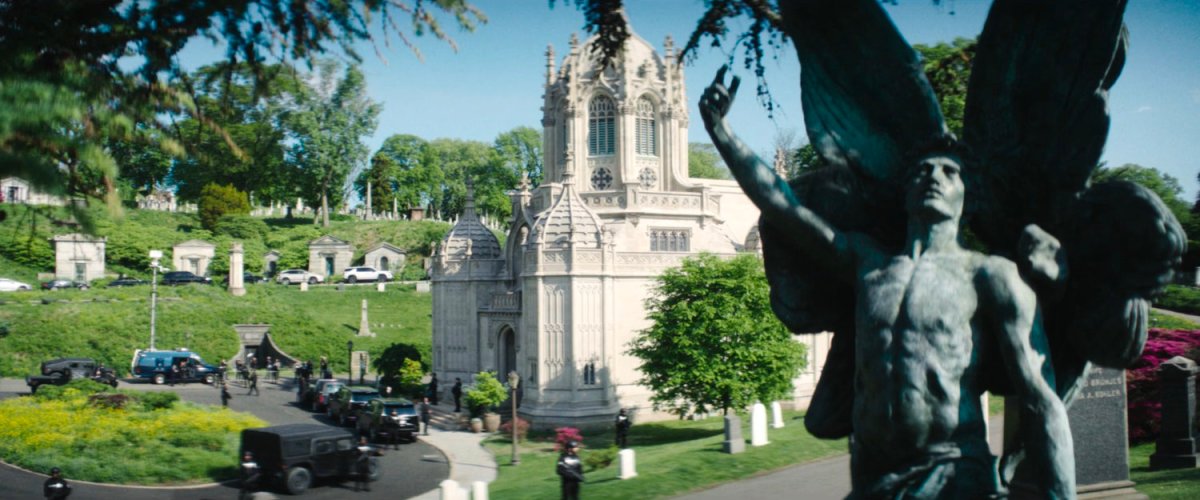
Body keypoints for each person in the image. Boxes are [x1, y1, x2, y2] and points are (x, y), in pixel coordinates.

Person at [700, 71, 1072, 497]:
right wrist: (721, 131)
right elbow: (783, 205)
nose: (933, 176)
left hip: (955, 471)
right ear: (904, 190)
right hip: (873, 475)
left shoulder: (990, 276)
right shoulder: (867, 264)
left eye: (949, 172)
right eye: (922, 170)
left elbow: (1040, 398)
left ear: (970, 197)